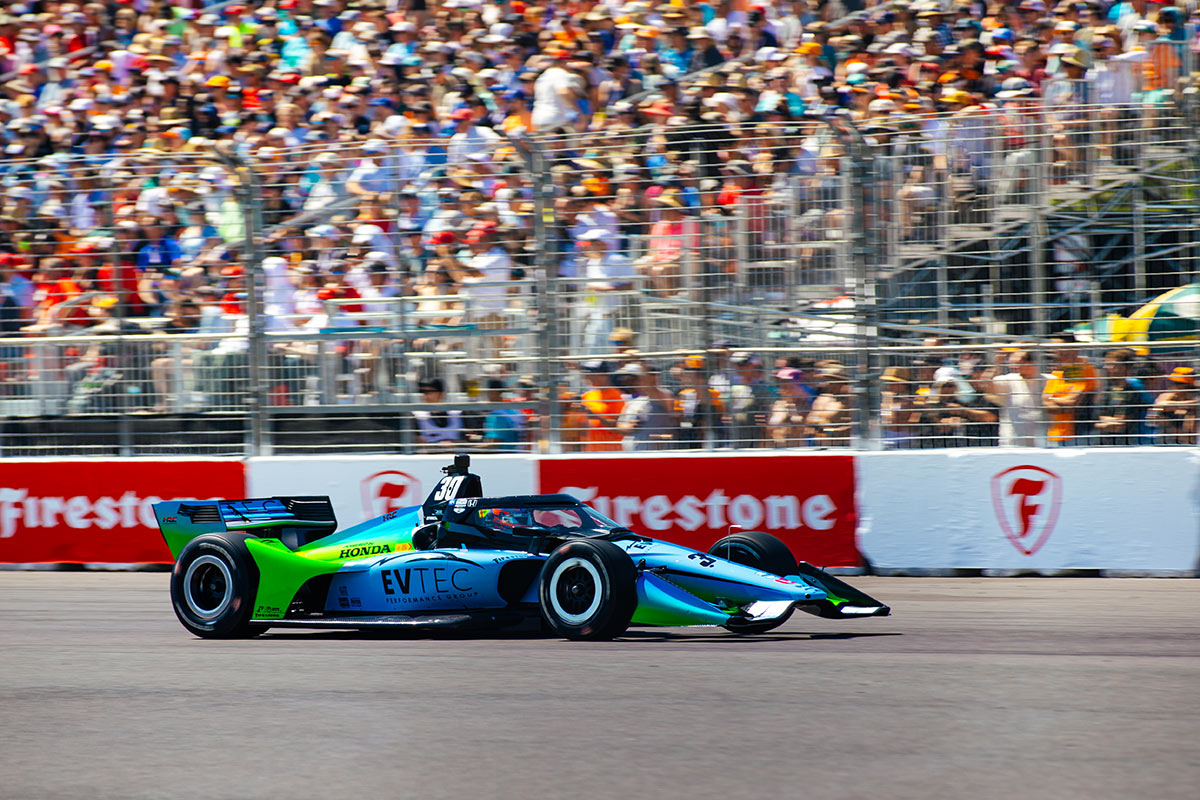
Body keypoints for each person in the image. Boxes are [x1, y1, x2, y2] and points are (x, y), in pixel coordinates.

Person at [1042, 342, 1100, 446]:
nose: (1056, 351)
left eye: (1059, 347)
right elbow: (1045, 403)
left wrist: (1053, 400)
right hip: (1056, 434)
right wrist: (1060, 403)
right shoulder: (1057, 372)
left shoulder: (1081, 368)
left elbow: (1072, 401)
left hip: (1077, 435)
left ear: (1073, 349)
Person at [989, 349, 1047, 447]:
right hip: (1013, 441)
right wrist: (997, 364)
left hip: (1041, 442)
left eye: (1020, 363)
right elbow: (987, 386)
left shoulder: (1049, 380)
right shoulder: (1009, 380)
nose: (1015, 367)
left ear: (1032, 363)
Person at [615, 363, 677, 451]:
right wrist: (628, 426)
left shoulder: (663, 395)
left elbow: (651, 388)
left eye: (634, 379)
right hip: (632, 454)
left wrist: (641, 364)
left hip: (654, 453)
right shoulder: (632, 401)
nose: (630, 383)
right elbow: (620, 425)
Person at [1096, 348, 1151, 445]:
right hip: (1104, 443)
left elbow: (1119, 426)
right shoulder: (1109, 390)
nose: (1106, 367)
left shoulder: (1131, 391)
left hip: (1124, 444)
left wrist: (1100, 423)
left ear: (1124, 368)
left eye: (1111, 364)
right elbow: (1098, 416)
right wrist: (1102, 421)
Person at [579, 360, 625, 452]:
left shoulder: (618, 396)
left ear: (606, 375)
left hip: (611, 452)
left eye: (592, 373)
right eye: (587, 373)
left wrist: (595, 416)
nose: (588, 377)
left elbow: (620, 426)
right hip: (588, 452)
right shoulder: (587, 395)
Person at [806, 362, 855, 447]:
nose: (825, 383)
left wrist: (833, 431)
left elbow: (858, 424)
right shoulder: (822, 398)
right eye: (824, 380)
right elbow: (809, 419)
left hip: (843, 446)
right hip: (821, 446)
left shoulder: (851, 400)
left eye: (828, 380)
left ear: (840, 381)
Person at [412, 377, 464, 451]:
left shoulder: (457, 415)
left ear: (441, 394)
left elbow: (467, 440)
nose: (424, 395)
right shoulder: (418, 417)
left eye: (429, 392)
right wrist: (439, 446)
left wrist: (454, 444)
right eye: (422, 392)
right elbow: (420, 444)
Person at [1149, 367, 1197, 445]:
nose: (1174, 386)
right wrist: (1187, 404)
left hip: (1189, 444)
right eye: (1173, 382)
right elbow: (1160, 405)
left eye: (1178, 383)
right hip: (1165, 442)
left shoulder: (1194, 398)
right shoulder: (1167, 396)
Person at [481, 378, 526, 452]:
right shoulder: (516, 411)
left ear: (493, 392)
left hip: (503, 456)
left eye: (487, 393)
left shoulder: (495, 416)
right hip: (520, 454)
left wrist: (467, 448)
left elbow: (492, 446)